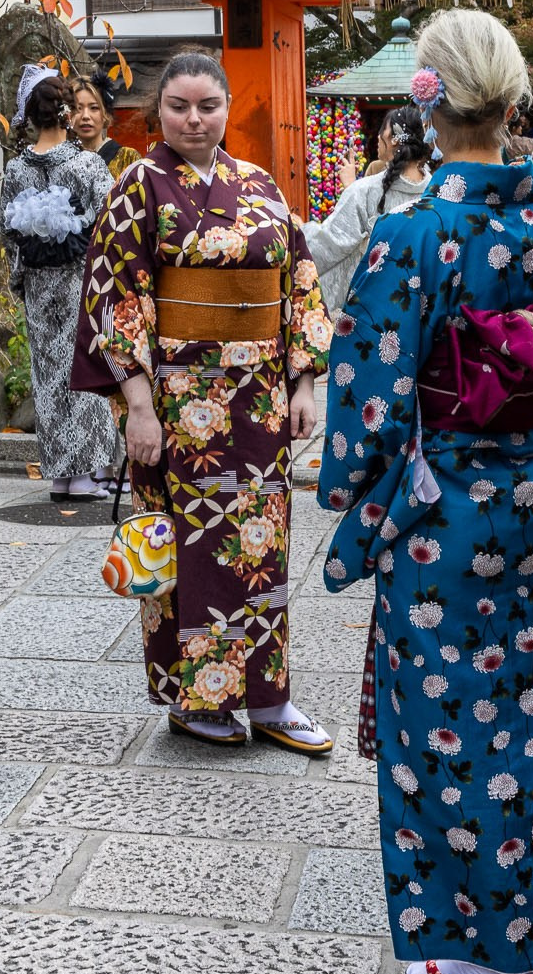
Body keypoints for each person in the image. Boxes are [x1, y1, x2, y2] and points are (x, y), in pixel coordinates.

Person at [319, 9, 533, 974]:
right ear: (512, 98)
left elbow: (366, 393)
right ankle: (526, 944)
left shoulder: (412, 232)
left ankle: (469, 954)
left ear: (427, 95)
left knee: (445, 721)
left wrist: (350, 494)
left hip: (452, 517)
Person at [73, 52, 336, 753]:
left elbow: (299, 281)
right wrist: (137, 404)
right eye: (180, 107)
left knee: (262, 549)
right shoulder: (137, 186)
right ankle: (196, 700)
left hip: (257, 401)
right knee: (188, 550)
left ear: (225, 108)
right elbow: (116, 298)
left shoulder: (259, 185)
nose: (195, 119)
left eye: (208, 106)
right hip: (177, 399)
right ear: (158, 112)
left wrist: (304, 383)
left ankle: (271, 697)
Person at [2, 68, 119, 500]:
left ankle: (60, 474)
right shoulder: (88, 163)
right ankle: (87, 473)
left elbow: (10, 232)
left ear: (30, 115)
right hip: (80, 279)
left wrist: (21, 280)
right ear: (65, 113)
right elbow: (112, 220)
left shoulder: (16, 169)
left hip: (37, 282)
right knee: (85, 370)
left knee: (48, 374)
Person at [306, 105, 430, 317]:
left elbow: (328, 244)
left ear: (392, 138)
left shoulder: (364, 191)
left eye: (384, 128)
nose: (379, 134)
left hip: (373, 310)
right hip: (422, 309)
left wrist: (299, 234)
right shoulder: (435, 190)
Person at [71, 71, 140, 179]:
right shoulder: (61, 159)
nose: (85, 116)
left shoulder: (127, 158)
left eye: (94, 108)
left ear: (105, 114)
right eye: (78, 108)